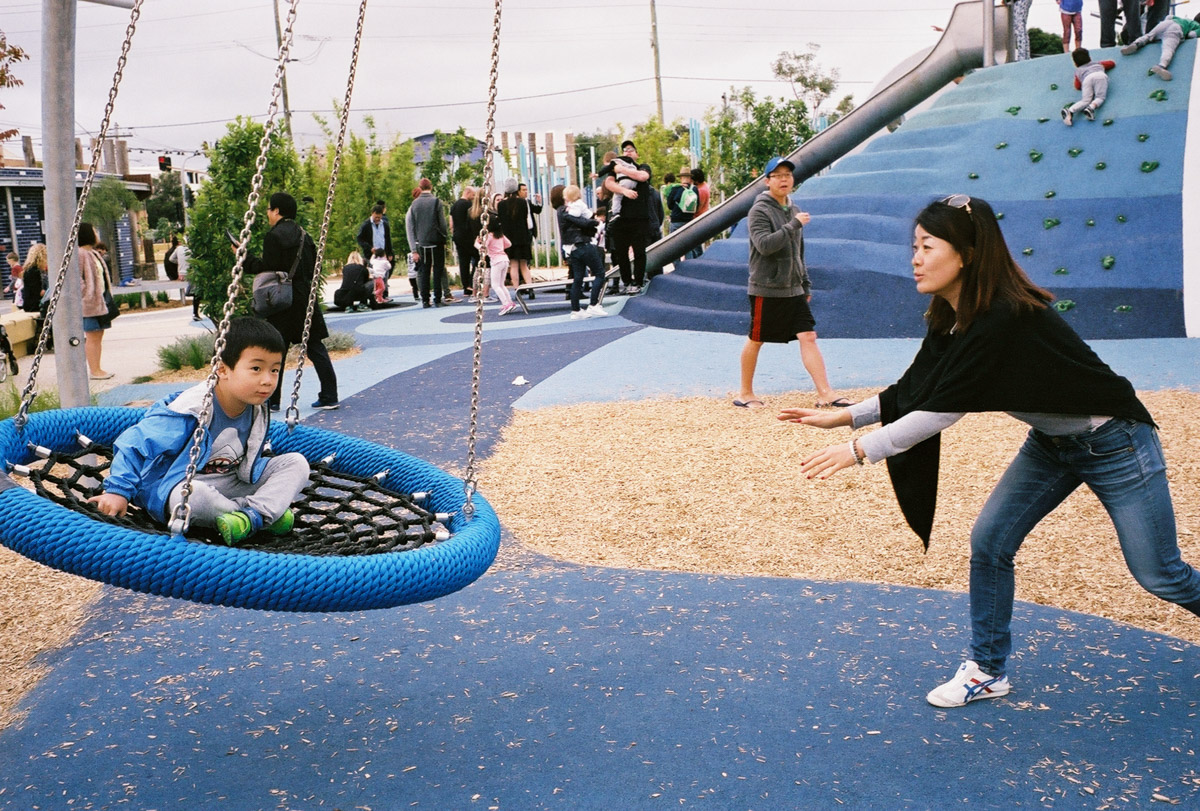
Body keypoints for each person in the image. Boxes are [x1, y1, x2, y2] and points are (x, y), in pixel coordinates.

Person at [782, 194, 1200, 708]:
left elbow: (943, 410)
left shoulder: (1004, 317)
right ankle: (988, 669)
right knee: (991, 541)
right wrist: (846, 414)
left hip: (1115, 441)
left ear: (968, 254)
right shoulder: (953, 314)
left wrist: (860, 449)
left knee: (1160, 573)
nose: (914, 257)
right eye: (913, 245)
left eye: (927, 246)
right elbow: (918, 386)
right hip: (1052, 444)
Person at [88, 317, 311, 545]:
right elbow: (134, 443)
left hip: (230, 481)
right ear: (222, 370)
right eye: (256, 368)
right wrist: (118, 491)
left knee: (296, 463)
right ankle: (261, 516)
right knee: (194, 494)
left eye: (274, 370)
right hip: (179, 486)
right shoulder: (192, 408)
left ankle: (249, 517)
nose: (267, 380)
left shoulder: (255, 406)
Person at [735, 157, 849, 411]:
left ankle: (826, 393)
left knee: (808, 335)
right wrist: (793, 224)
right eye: (778, 175)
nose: (784, 179)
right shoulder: (759, 210)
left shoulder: (794, 209)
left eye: (788, 174)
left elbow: (799, 250)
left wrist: (804, 283)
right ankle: (745, 393)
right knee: (756, 339)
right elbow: (765, 245)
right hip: (767, 287)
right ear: (767, 181)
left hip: (794, 287)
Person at [247, 191, 339, 411]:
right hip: (305, 297)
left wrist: (245, 258)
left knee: (276, 351)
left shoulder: (273, 236)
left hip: (282, 301)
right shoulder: (304, 235)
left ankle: (272, 400)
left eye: (269, 209)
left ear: (277, 211)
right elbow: (312, 266)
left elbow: (267, 268)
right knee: (315, 347)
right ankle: (329, 395)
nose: (268, 213)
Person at [603, 140, 653, 294]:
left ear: (637, 154)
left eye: (631, 149)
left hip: (639, 218)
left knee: (639, 251)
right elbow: (609, 184)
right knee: (620, 252)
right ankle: (626, 281)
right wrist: (623, 191)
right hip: (621, 218)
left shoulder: (642, 167)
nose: (628, 152)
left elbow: (642, 177)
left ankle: (638, 281)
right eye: (625, 150)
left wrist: (622, 168)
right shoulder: (616, 171)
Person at [557, 184, 611, 320]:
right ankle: (594, 304)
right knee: (600, 273)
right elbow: (584, 221)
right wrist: (593, 222)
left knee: (578, 278)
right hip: (583, 244)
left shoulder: (562, 212)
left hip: (572, 248)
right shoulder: (571, 210)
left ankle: (576, 309)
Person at [79, 222, 115, 380]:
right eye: (94, 230)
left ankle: (98, 368)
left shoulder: (92, 253)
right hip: (89, 304)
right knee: (92, 335)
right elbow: (76, 278)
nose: (96, 233)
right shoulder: (80, 253)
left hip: (100, 302)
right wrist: (86, 294)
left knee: (98, 335)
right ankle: (94, 370)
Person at [1120, 12, 1200, 81]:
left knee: (1149, 36)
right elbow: (1191, 35)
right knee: (1168, 48)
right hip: (1176, 29)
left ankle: (1136, 44)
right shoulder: (1197, 26)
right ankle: (1161, 66)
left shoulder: (1184, 19)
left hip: (1167, 23)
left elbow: (1169, 16)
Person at [408, 179, 450, 308]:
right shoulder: (436, 202)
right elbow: (442, 223)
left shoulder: (414, 205)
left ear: (420, 187)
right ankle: (438, 298)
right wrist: (445, 236)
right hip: (436, 241)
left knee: (424, 271)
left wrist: (414, 246)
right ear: (431, 187)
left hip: (422, 243)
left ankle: (425, 299)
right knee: (437, 270)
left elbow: (412, 226)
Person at [498, 178, 542, 295]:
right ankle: (530, 287)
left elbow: (501, 222)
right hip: (522, 237)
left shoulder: (501, 204)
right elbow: (527, 221)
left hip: (509, 239)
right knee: (524, 264)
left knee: (513, 265)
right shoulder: (523, 202)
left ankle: (517, 289)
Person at [1061, 48, 1114, 126]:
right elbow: (1111, 63)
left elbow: (1077, 86)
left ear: (1075, 63)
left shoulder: (1078, 71)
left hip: (1086, 79)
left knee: (1085, 100)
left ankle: (1070, 110)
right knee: (1100, 97)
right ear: (1089, 58)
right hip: (1099, 75)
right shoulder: (1098, 64)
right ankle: (1091, 108)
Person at [479, 218, 516, 316]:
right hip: (504, 259)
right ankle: (509, 302)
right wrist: (499, 248)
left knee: (495, 285)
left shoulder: (489, 236)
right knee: (501, 284)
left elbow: (483, 248)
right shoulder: (500, 235)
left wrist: (476, 244)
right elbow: (509, 244)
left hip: (496, 261)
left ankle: (505, 303)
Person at [450, 186, 481, 297]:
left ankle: (465, 287)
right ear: (467, 193)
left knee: (463, 262)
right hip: (468, 236)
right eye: (473, 195)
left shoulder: (454, 206)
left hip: (458, 236)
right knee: (477, 258)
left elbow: (451, 223)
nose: (473, 198)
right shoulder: (468, 205)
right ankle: (472, 282)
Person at [356, 204, 393, 271]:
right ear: (372, 214)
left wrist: (390, 253)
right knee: (372, 276)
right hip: (371, 256)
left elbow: (388, 239)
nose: (377, 219)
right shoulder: (366, 225)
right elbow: (359, 239)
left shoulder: (385, 225)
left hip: (383, 255)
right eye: (376, 217)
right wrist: (369, 248)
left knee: (383, 276)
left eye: (379, 217)